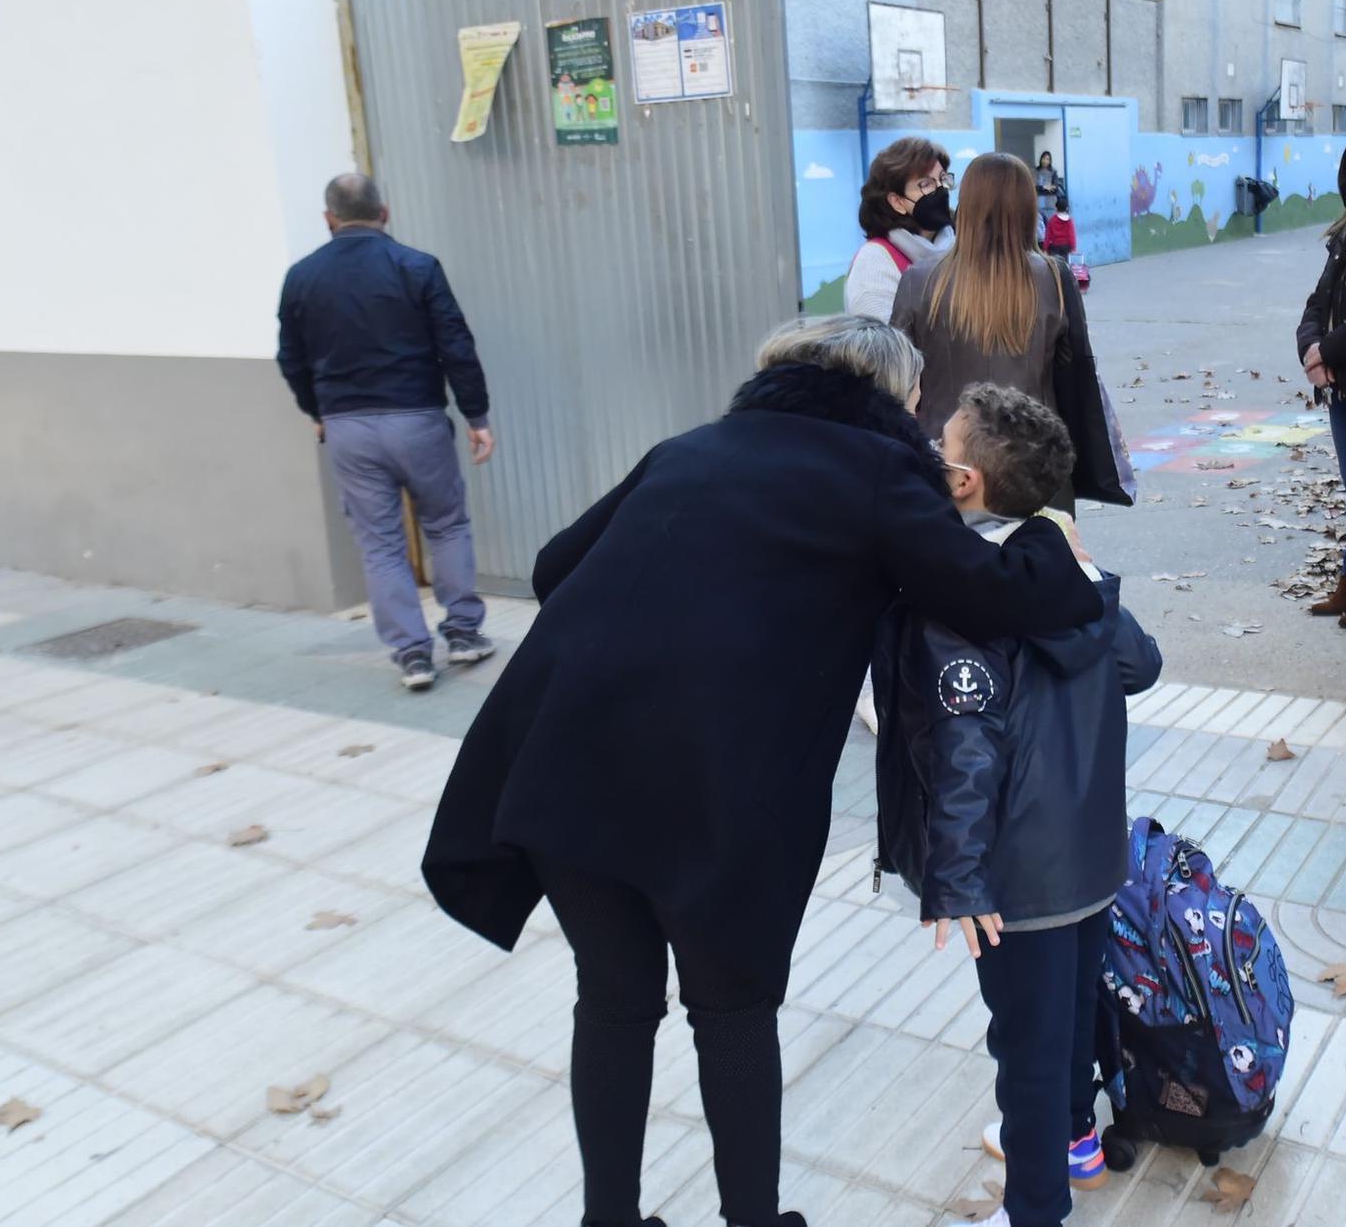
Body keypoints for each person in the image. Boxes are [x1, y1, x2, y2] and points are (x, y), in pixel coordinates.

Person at [423, 316, 1102, 1227]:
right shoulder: (879, 473)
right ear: (892, 398)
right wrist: (1053, 533)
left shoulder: (689, 449)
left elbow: (553, 568)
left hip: (562, 765)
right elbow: (999, 596)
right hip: (720, 794)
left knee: (616, 1000)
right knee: (732, 1010)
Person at [873, 383, 1162, 1227]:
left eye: (939, 448)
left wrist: (958, 879)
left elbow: (967, 751)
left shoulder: (964, 597)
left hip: (1020, 878)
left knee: (1025, 1054)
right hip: (1092, 855)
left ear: (963, 484)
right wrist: (1089, 570)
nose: (929, 455)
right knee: (1070, 1020)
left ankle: (1037, 1209)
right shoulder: (1068, 576)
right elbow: (1140, 665)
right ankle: (1077, 1138)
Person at [276, 173, 496, 691]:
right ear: (386, 212)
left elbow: (291, 357)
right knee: (445, 525)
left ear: (329, 219)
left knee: (380, 545)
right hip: (416, 419)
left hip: (348, 427)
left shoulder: (301, 277)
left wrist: (318, 410)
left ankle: (413, 655)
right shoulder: (417, 267)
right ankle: (464, 634)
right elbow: (456, 346)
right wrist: (476, 416)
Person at [891, 152, 1076, 447]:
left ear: (966, 205)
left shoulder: (918, 278)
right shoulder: (1054, 278)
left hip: (946, 457)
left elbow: (896, 377)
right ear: (1028, 207)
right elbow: (1073, 374)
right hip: (1033, 459)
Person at [1297, 137, 1346, 630]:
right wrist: (1310, 352)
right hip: (1339, 385)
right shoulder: (1343, 238)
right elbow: (1316, 304)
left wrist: (1329, 350)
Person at [844, 136, 955, 320]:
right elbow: (883, 344)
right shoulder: (874, 262)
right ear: (897, 202)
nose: (941, 189)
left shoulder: (957, 245)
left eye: (943, 179)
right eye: (926, 184)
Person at [1043, 195, 1077, 260]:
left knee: (1055, 265)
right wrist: (1073, 248)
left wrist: (1045, 249)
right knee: (1065, 264)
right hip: (1066, 247)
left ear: (1056, 208)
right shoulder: (1069, 221)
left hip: (1054, 247)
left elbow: (1047, 236)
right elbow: (1072, 236)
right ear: (1067, 208)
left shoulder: (1052, 220)